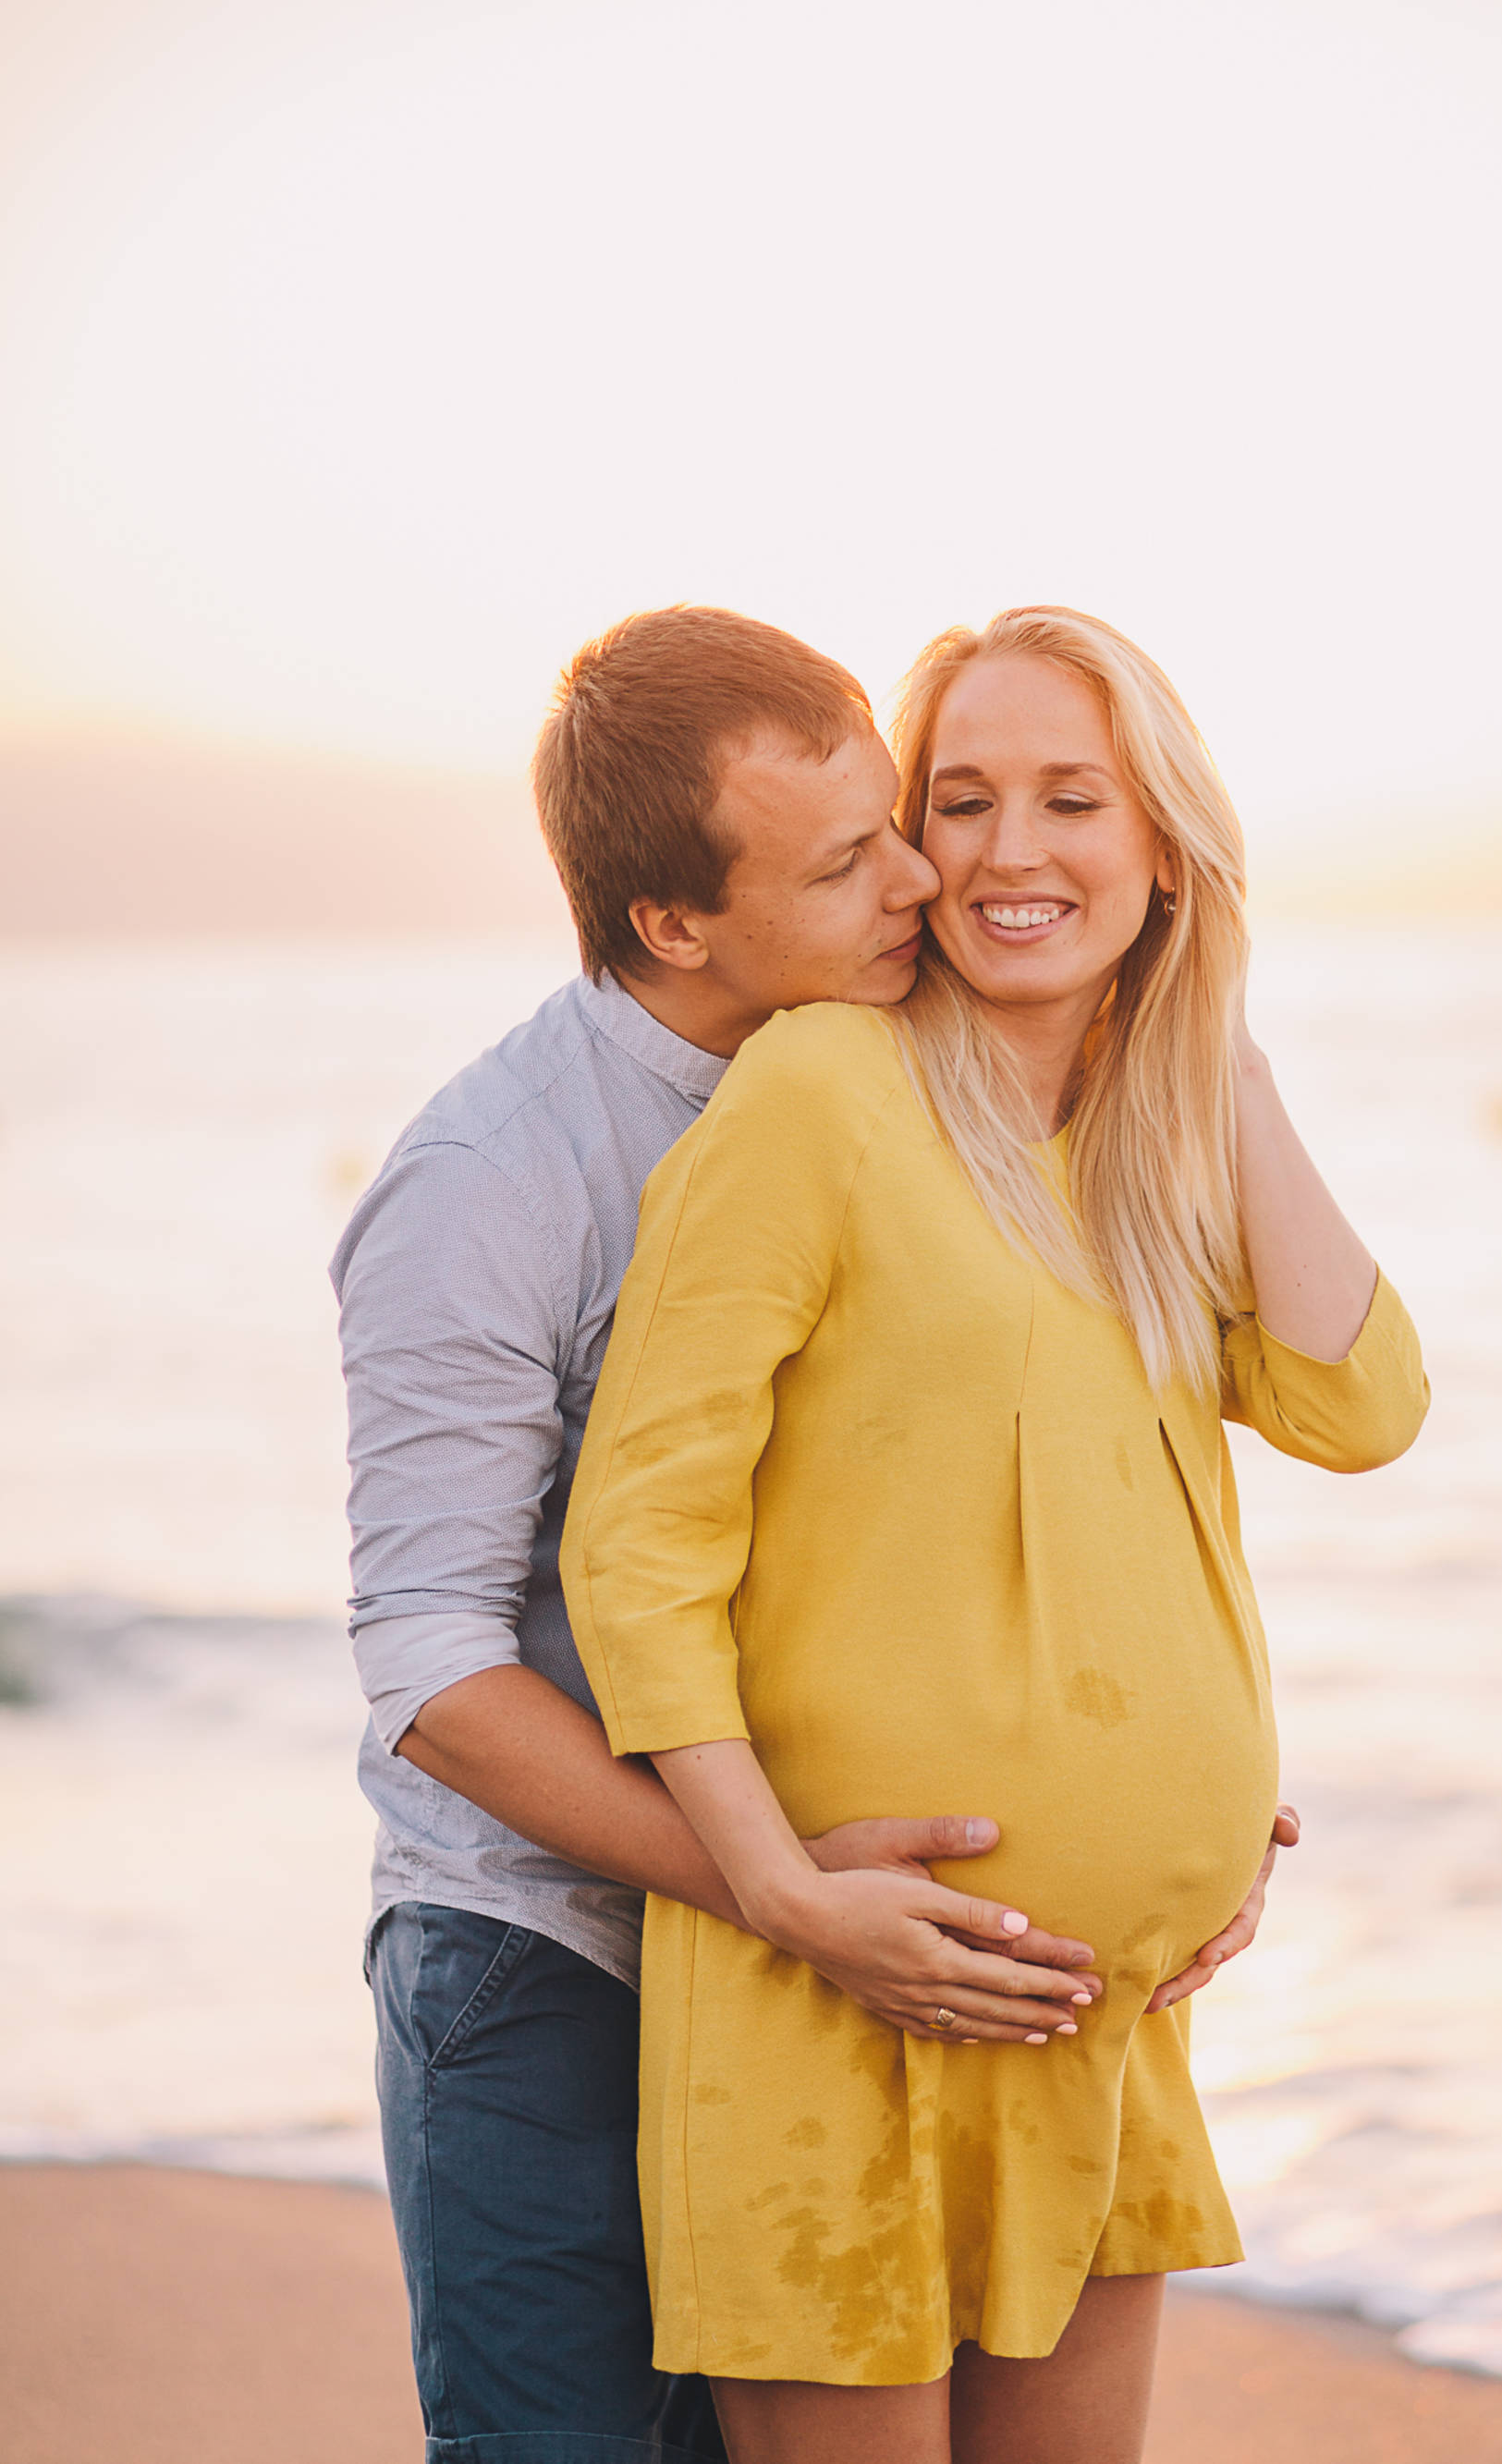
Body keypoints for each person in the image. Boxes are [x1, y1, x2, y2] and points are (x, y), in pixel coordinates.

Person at [331, 606, 1292, 2464]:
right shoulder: (494, 1183)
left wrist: (1168, 1781)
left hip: (836, 1963)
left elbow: (1021, 1471)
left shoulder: (915, 1088)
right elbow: (435, 1672)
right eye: (854, 857)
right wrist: (773, 1888)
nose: (927, 878)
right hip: (551, 1962)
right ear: (677, 923)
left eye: (897, 820)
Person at [563, 606, 1428, 2464]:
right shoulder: (822, 1094)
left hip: (1093, 2026)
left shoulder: (1154, 1140)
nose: (1011, 851)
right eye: (960, 800)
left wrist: (1229, 1047)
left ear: (1163, 842)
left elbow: (1365, 1409)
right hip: (835, 2008)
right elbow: (639, 1541)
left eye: (1072, 799)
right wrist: (780, 1886)